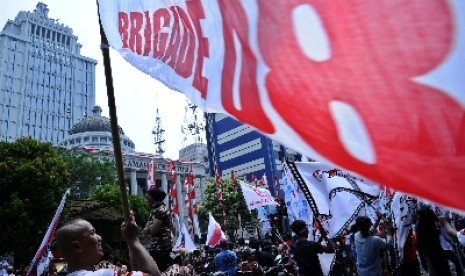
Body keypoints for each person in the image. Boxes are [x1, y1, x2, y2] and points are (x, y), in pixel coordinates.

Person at [55, 212, 160, 276]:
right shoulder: (106, 274)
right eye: (92, 233)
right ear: (77, 247)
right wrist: (133, 241)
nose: (99, 237)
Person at [142, 188, 172, 272]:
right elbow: (146, 229)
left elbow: (152, 231)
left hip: (161, 248)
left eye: (148, 199)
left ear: (154, 198)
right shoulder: (154, 211)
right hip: (155, 248)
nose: (146, 201)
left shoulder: (161, 210)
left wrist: (147, 228)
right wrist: (147, 228)